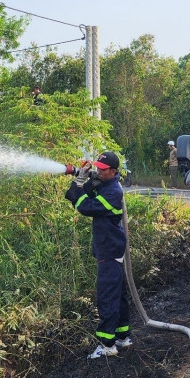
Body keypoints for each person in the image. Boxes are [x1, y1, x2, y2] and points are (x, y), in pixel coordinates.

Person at [65, 151, 132, 358]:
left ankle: (107, 345)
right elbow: (89, 192)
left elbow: (86, 206)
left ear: (113, 171)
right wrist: (84, 180)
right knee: (118, 295)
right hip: (111, 248)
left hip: (109, 250)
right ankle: (122, 337)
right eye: (97, 168)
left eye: (102, 170)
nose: (99, 172)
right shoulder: (106, 185)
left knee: (107, 297)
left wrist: (77, 185)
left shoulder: (113, 191)